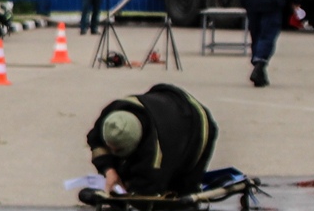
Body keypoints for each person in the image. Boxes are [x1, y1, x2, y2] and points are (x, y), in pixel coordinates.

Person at [87, 84, 217, 197]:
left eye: (119, 150)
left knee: (180, 191)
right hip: (166, 103)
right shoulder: (110, 118)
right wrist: (109, 170)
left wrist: (128, 189)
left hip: (199, 127)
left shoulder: (155, 152)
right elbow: (96, 142)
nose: (113, 152)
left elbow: (147, 186)